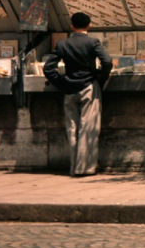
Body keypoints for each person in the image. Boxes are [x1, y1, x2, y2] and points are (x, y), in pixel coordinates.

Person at [43, 12, 112, 176]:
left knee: (72, 128)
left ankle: (74, 167)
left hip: (69, 89)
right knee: (88, 128)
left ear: (72, 26)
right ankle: (85, 168)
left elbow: (48, 68)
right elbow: (107, 61)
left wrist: (61, 82)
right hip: (88, 86)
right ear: (89, 25)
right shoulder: (92, 42)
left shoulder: (62, 44)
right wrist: (100, 78)